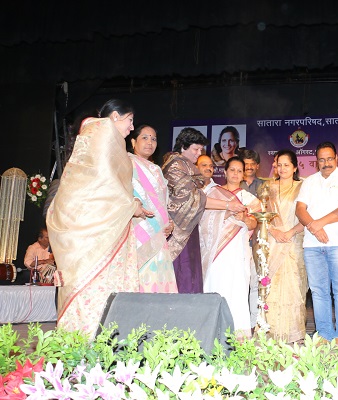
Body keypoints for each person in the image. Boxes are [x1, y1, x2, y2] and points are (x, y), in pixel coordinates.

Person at [46, 99, 152, 336]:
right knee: (97, 286)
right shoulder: (104, 134)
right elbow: (106, 187)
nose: (132, 127)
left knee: (89, 286)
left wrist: (131, 205)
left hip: (90, 228)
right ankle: (95, 341)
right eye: (129, 120)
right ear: (114, 117)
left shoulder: (93, 136)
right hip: (98, 230)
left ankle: (79, 341)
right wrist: (132, 206)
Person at [163, 128, 245, 294]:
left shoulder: (187, 166)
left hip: (189, 228)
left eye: (201, 149)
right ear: (183, 146)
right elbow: (193, 199)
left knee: (190, 275)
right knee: (181, 276)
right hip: (178, 230)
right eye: (196, 149)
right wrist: (227, 205)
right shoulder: (175, 166)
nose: (199, 153)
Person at [296, 142, 338, 344]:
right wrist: (314, 227)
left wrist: (318, 224)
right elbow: (300, 209)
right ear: (317, 161)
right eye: (322, 160)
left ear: (336, 158)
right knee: (318, 291)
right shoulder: (309, 182)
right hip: (312, 246)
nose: (326, 163)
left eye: (330, 158)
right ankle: (323, 334)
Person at [201, 157, 261, 339]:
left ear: (243, 175)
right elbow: (202, 220)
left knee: (237, 288)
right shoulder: (212, 193)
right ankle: (211, 331)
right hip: (215, 250)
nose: (235, 174)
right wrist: (226, 213)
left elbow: (254, 224)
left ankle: (237, 333)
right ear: (225, 172)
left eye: (239, 171)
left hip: (237, 250)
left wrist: (243, 218)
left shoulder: (249, 199)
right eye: (232, 170)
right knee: (214, 284)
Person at [260, 150, 308, 343]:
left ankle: (293, 333)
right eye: (279, 165)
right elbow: (261, 215)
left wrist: (290, 232)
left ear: (295, 167)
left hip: (294, 241)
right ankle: (270, 330)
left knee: (293, 286)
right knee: (272, 286)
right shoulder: (267, 187)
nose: (282, 168)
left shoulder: (303, 187)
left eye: (286, 165)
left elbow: (308, 216)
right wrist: (273, 231)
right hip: (273, 242)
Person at [128, 125, 177, 293]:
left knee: (159, 282)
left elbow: (162, 202)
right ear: (133, 142)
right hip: (138, 228)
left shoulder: (156, 169)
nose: (150, 142)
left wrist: (169, 222)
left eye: (153, 139)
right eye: (145, 138)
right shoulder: (127, 163)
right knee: (141, 280)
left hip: (160, 233)